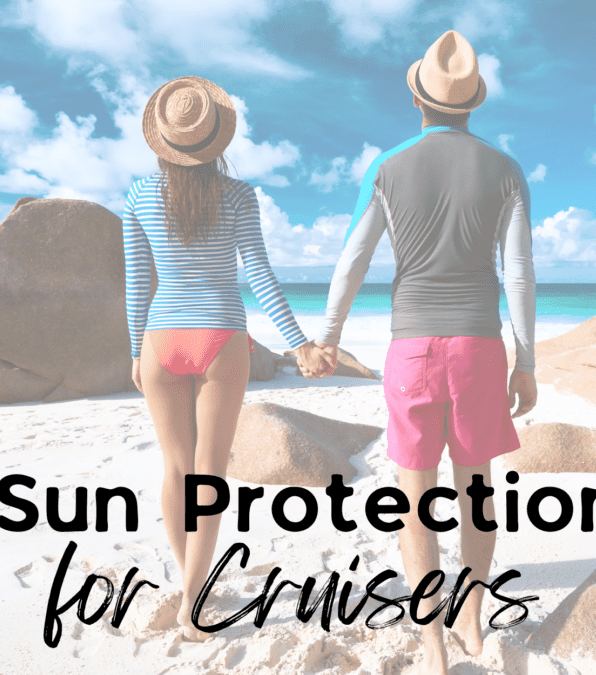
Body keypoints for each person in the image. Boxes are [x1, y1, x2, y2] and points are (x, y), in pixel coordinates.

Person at [316, 31, 538, 675]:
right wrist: (527, 361)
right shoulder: (507, 170)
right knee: (477, 487)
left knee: (413, 492)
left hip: (411, 347)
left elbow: (352, 260)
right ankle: (469, 613)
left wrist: (328, 337)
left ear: (418, 98)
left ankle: (432, 638)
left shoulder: (387, 166)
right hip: (478, 346)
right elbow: (518, 273)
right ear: (472, 103)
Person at [122, 76, 333, 641]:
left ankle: (191, 584)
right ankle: (195, 595)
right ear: (216, 138)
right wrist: (300, 343)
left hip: (162, 338)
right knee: (211, 473)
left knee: (175, 468)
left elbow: (137, 281)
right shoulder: (239, 196)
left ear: (163, 140)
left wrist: (135, 348)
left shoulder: (138, 195)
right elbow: (259, 273)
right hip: (222, 336)